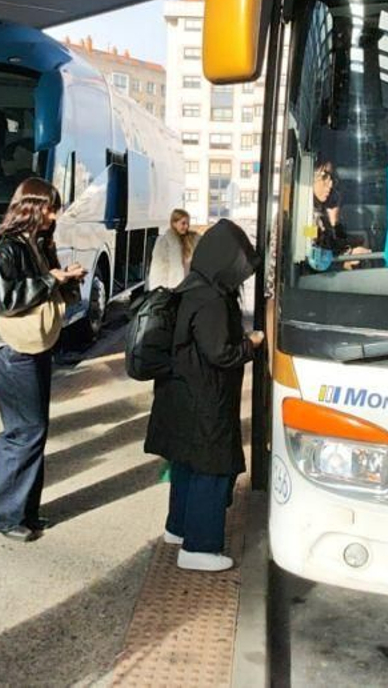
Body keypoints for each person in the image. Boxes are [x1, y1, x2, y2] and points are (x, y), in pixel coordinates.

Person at [143, 219, 263, 572]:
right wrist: (252, 344)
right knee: (213, 468)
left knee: (186, 464)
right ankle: (200, 547)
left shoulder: (191, 286)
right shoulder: (211, 298)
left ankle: (177, 529)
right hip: (204, 398)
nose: (241, 277)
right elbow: (220, 352)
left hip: (179, 394)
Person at [0, 177, 85, 541]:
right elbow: (3, 298)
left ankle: (24, 510)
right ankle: (6, 516)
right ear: (31, 207)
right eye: (49, 207)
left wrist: (65, 280)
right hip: (12, 347)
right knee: (24, 430)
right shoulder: (7, 247)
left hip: (32, 346)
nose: (54, 215)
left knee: (33, 430)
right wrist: (51, 280)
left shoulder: (36, 243)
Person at [309, 161, 370, 270]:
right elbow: (315, 260)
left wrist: (355, 243)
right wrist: (344, 261)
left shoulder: (321, 211)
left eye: (331, 178)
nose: (330, 183)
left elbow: (336, 241)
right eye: (324, 176)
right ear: (308, 178)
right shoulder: (303, 218)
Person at [147, 209, 197, 289]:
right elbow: (158, 268)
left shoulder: (192, 239)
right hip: (169, 287)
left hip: (186, 286)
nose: (186, 226)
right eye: (183, 223)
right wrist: (161, 289)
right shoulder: (163, 241)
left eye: (188, 223)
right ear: (174, 223)